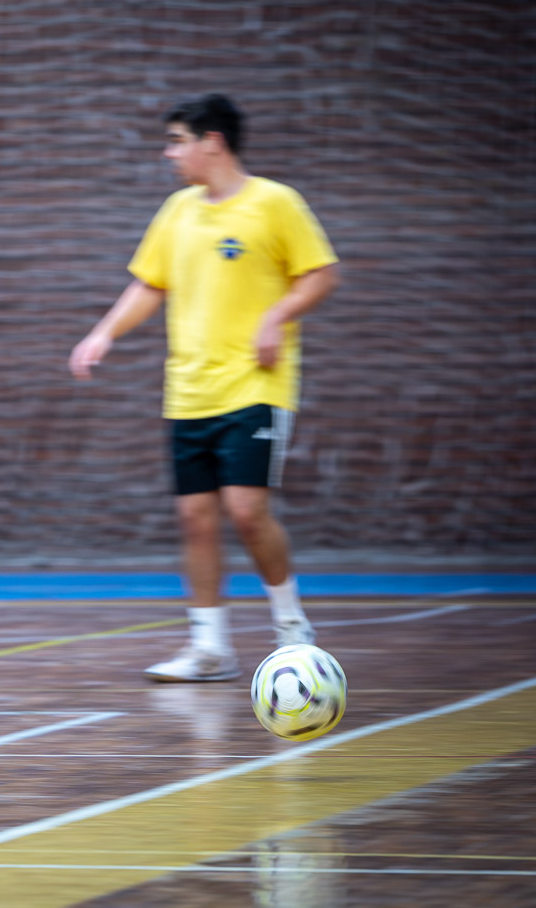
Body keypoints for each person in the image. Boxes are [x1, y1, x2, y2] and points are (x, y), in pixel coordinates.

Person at [69, 93, 340, 682]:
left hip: (256, 386)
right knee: (196, 518)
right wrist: (103, 333)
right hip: (189, 390)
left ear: (212, 142)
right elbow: (150, 284)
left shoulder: (275, 203)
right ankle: (210, 647)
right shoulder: (177, 211)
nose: (169, 153)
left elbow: (321, 275)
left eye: (177, 141)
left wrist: (276, 317)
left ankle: (292, 630)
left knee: (246, 511)